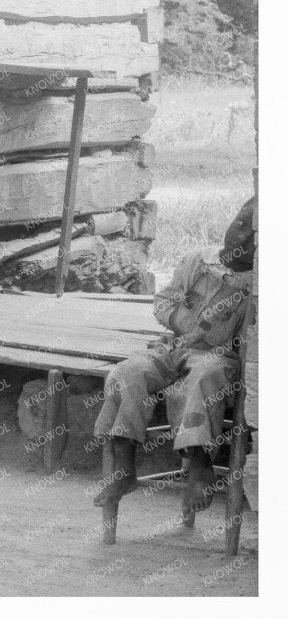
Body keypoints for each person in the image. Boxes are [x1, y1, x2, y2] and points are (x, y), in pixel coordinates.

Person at [93, 194, 256, 515]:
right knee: (127, 372)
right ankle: (125, 466)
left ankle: (199, 463)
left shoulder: (258, 285)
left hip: (219, 357)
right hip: (173, 344)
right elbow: (164, 302)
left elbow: (248, 343)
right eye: (239, 225)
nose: (241, 237)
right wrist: (184, 325)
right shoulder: (198, 261)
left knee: (198, 379)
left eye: (253, 236)